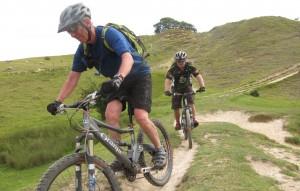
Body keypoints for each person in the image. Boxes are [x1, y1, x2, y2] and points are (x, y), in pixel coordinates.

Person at [46, 3, 166, 170]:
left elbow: (127, 58)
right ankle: (120, 156)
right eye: (68, 31)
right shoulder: (84, 50)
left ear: (87, 22)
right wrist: (58, 101)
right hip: (117, 82)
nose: (72, 34)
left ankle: (160, 150)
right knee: (111, 114)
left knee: (140, 116)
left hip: (138, 75)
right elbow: (73, 77)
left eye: (73, 28)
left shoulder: (108, 34)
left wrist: (118, 78)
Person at [164, 51, 205, 130]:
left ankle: (193, 120)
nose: (181, 63)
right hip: (176, 88)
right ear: (176, 61)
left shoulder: (190, 67)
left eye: (182, 61)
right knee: (176, 106)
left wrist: (202, 86)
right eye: (179, 61)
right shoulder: (172, 69)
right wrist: (167, 90)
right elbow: (168, 80)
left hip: (187, 87)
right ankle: (178, 123)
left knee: (191, 102)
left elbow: (198, 76)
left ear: (185, 60)